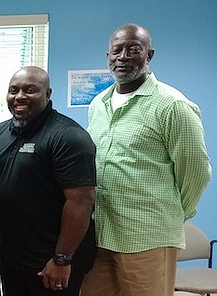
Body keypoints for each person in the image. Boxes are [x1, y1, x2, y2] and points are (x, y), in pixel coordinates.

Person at [81, 24, 211, 296]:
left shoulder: (172, 105)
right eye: (117, 50)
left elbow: (197, 172)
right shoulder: (98, 104)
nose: (123, 56)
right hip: (102, 234)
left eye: (134, 49)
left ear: (149, 55)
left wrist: (171, 214)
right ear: (108, 56)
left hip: (148, 236)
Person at [0, 66, 97, 295]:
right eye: (14, 90)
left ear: (48, 94)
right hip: (12, 255)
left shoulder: (69, 136)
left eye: (30, 90)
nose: (20, 96)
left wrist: (62, 260)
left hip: (51, 261)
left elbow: (81, 202)